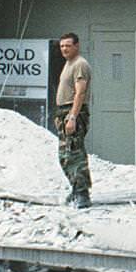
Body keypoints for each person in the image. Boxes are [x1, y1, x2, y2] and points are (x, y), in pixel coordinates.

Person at [54, 32, 92, 208]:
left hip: (73, 112)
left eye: (68, 45)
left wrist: (72, 117)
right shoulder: (68, 63)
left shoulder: (80, 64)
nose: (64, 49)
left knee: (74, 154)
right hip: (64, 112)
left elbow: (80, 92)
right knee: (65, 156)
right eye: (62, 46)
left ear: (77, 46)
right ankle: (76, 189)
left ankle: (82, 194)